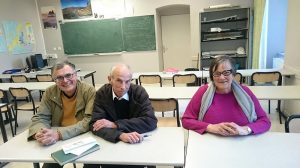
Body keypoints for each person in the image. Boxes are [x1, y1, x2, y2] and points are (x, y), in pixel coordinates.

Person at [27, 61, 96, 168]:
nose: (65, 80)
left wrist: (58, 134)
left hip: (82, 135)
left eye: (68, 75)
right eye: (59, 78)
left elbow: (89, 119)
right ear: (54, 80)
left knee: (92, 163)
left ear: (76, 75)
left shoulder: (88, 91)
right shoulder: (50, 92)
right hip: (58, 139)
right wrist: (40, 133)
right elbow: (40, 117)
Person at [88, 63, 157, 168]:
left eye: (128, 81)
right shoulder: (102, 93)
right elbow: (96, 124)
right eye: (119, 81)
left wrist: (115, 124)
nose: (123, 87)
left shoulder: (139, 92)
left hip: (137, 145)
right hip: (111, 146)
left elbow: (151, 121)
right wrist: (120, 135)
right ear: (110, 79)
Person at [182, 55, 271, 136]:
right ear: (212, 76)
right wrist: (210, 127)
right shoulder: (203, 92)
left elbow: (265, 121)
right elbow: (186, 120)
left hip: (242, 145)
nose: (221, 77)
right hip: (210, 145)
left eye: (226, 72)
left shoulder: (245, 92)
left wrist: (245, 129)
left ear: (233, 74)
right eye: (217, 73)